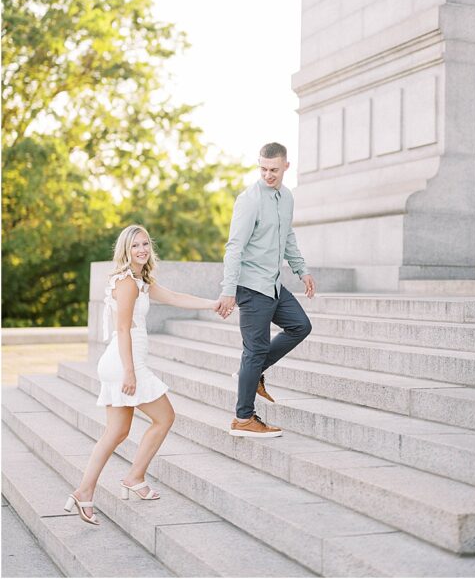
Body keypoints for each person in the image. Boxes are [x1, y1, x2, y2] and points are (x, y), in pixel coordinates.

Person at [64, 225, 224, 525]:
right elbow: (122, 328)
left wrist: (213, 304)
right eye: (135, 245)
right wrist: (130, 372)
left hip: (122, 360)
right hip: (126, 361)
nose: (141, 249)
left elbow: (175, 296)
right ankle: (134, 477)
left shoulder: (140, 281)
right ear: (125, 250)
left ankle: (84, 492)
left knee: (116, 432)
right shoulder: (126, 282)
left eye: (145, 244)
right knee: (164, 417)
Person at [215, 142, 315, 438]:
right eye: (263, 169)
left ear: (286, 166)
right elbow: (234, 247)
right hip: (250, 285)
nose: (268, 175)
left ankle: (252, 371)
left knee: (300, 325)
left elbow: (288, 236)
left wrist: (301, 269)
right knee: (254, 350)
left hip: (272, 283)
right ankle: (243, 418)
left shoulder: (286, 197)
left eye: (273, 169)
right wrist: (228, 290)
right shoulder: (249, 199)